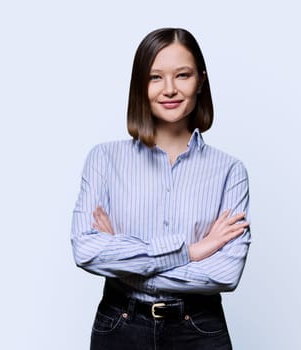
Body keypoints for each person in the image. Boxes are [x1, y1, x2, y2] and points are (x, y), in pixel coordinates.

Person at [71, 27, 251, 350]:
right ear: (141, 85)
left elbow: (226, 272)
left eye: (182, 75)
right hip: (120, 327)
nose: (169, 89)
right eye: (156, 77)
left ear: (201, 81)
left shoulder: (230, 172)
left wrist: (124, 259)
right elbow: (85, 250)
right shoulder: (103, 160)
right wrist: (191, 252)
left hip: (198, 329)